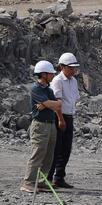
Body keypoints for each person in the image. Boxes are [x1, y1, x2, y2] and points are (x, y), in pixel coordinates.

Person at [20, 61, 65, 193]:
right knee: (38, 153)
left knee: (49, 154)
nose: (52, 75)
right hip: (40, 125)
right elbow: (52, 104)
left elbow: (58, 105)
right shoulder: (35, 89)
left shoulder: (48, 90)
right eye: (50, 73)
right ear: (43, 74)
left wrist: (46, 104)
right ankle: (28, 182)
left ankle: (41, 181)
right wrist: (48, 103)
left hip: (50, 125)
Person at [48, 53, 81, 188]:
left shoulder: (73, 81)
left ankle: (59, 177)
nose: (73, 70)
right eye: (70, 67)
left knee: (66, 149)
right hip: (58, 116)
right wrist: (61, 119)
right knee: (56, 148)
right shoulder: (57, 81)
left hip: (69, 116)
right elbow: (57, 102)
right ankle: (48, 178)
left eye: (74, 68)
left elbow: (74, 98)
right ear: (62, 67)